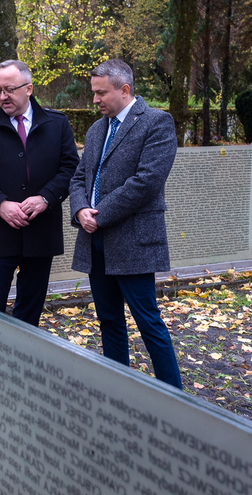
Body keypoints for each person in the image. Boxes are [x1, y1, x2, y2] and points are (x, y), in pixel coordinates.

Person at [68, 59, 182, 389]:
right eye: (94, 92)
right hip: (96, 242)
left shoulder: (157, 123)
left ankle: (176, 398)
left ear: (125, 89)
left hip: (133, 242)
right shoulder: (95, 130)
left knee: (148, 321)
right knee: (109, 321)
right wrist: (80, 212)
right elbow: (79, 178)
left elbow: (146, 182)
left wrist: (98, 213)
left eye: (101, 92)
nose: (95, 100)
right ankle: (120, 392)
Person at [0, 60, 79, 326]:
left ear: (29, 89)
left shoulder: (57, 124)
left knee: (30, 313)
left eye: (10, 89)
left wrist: (46, 197)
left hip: (41, 232)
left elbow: (71, 168)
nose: (3, 97)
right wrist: (0, 204)